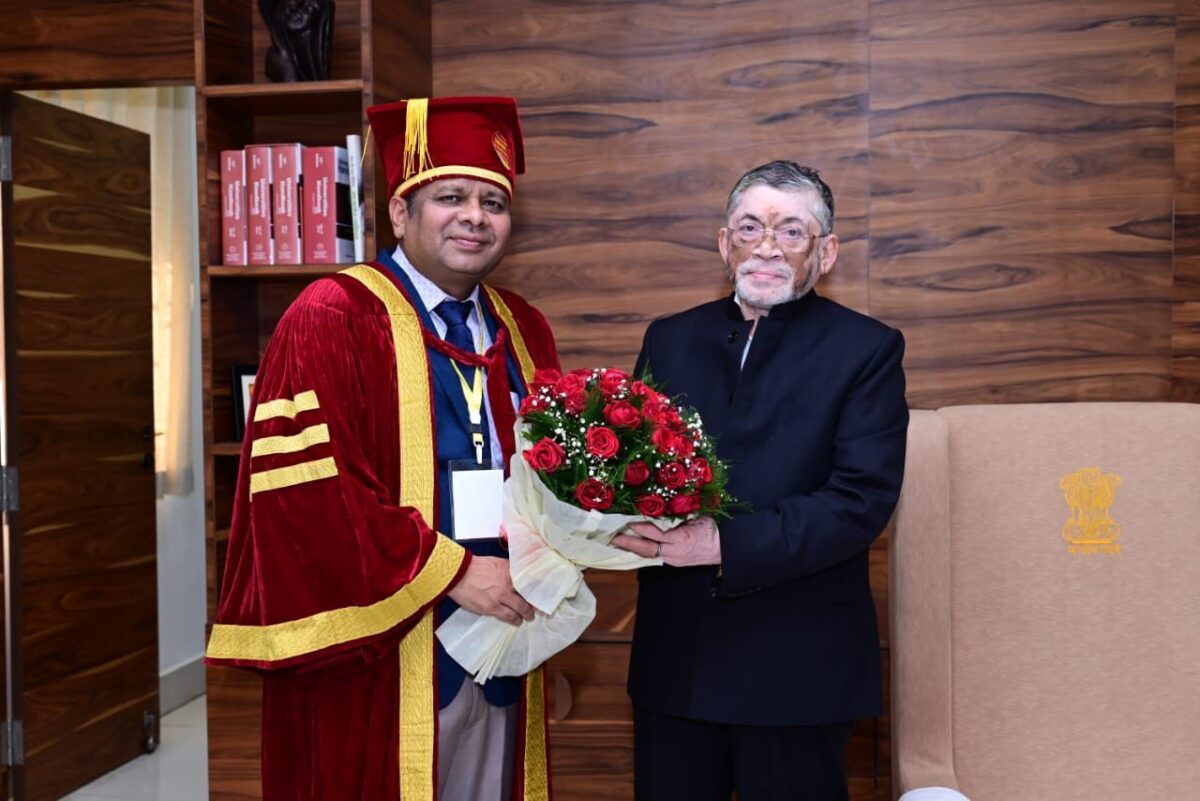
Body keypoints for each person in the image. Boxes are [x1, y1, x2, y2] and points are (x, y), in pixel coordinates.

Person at [206, 97, 559, 801]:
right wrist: (454, 572)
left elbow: (555, 474)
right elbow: (313, 498)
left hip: (505, 640)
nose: (475, 217)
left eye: (493, 202)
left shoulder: (522, 327)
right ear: (400, 212)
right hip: (382, 650)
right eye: (451, 197)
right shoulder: (333, 315)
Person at [612, 161, 908, 801]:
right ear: (726, 244)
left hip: (797, 668)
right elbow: (636, 468)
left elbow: (859, 502)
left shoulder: (867, 349)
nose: (767, 247)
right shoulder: (670, 338)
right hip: (677, 662)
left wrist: (719, 544)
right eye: (750, 227)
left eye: (792, 231)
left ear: (826, 253)